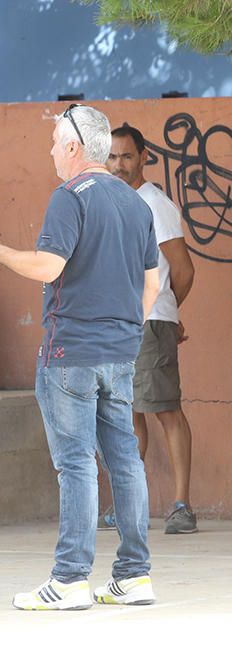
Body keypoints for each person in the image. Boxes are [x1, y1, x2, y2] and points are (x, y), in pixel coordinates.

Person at [0, 103, 160, 610]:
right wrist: (128, 330)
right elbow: (152, 283)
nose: (49, 151)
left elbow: (49, 266)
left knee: (75, 464)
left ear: (73, 147)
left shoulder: (70, 197)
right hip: (120, 350)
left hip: (71, 351)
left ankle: (70, 578)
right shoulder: (137, 204)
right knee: (125, 460)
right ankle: (134, 575)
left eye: (53, 143)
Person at [106, 124, 197, 535]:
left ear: (144, 157)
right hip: (122, 325)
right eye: (112, 157)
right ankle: (130, 508)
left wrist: (167, 311)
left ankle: (181, 506)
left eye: (126, 156)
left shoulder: (153, 204)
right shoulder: (114, 202)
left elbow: (183, 269)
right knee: (129, 416)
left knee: (165, 410)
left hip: (150, 323)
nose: (118, 165)